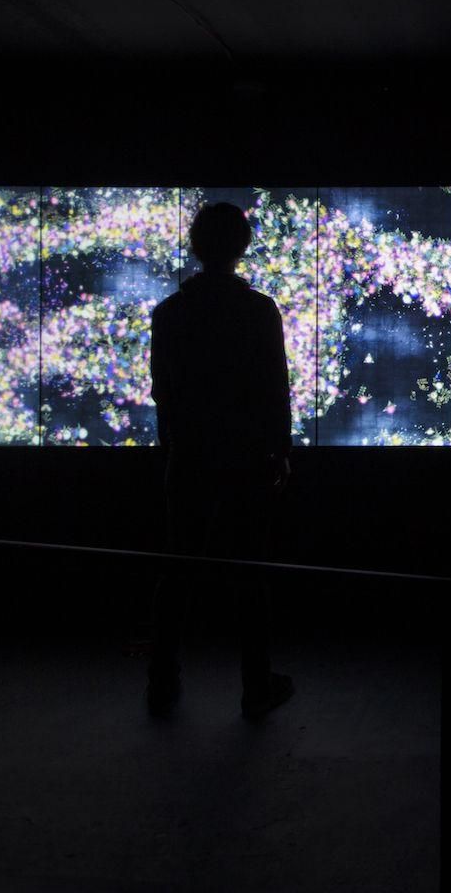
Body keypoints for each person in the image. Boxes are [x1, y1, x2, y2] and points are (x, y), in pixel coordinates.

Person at [146, 201, 295, 719]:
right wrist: (279, 449)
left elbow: (163, 392)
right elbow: (274, 387)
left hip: (189, 455)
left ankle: (161, 681)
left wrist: (172, 446)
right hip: (246, 457)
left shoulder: (170, 313)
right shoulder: (258, 311)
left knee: (178, 567)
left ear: (195, 246)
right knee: (249, 570)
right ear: (242, 247)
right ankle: (256, 684)